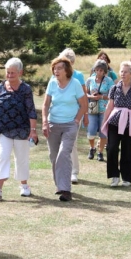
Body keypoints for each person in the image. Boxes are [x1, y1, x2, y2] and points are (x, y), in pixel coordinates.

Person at [0, 58, 38, 199]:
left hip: (21, 130)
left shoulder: (26, 89)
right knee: (2, 157)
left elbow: (31, 111)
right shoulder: (0, 87)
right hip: (3, 129)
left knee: (21, 158)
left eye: (13, 73)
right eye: (8, 72)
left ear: (20, 72)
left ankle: (24, 186)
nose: (10, 75)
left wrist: (33, 131)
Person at [42, 56, 87, 201]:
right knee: (54, 156)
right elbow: (45, 105)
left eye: (60, 68)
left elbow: (84, 104)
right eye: (55, 68)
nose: (56, 71)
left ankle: (66, 190)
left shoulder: (75, 84)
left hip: (70, 125)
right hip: (53, 124)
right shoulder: (52, 83)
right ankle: (59, 186)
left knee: (63, 154)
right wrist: (44, 122)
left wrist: (76, 120)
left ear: (67, 70)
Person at [101, 61, 131, 187]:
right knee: (112, 148)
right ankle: (114, 176)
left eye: (125, 72)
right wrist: (104, 122)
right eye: (121, 71)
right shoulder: (114, 88)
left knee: (128, 150)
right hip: (115, 121)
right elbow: (110, 106)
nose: (123, 74)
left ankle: (127, 178)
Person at [57, 48, 88, 184]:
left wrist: (85, 114)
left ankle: (74, 172)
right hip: (58, 115)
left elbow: (84, 97)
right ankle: (63, 170)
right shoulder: (55, 74)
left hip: (75, 114)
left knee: (72, 143)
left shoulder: (78, 76)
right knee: (59, 144)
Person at [86, 59, 114, 161]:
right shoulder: (90, 80)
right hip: (92, 108)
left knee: (103, 132)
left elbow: (113, 95)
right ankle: (92, 148)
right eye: (97, 70)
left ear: (105, 71)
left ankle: (100, 152)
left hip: (104, 109)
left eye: (101, 70)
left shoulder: (109, 81)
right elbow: (84, 93)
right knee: (91, 131)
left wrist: (101, 97)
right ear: (94, 70)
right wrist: (91, 96)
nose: (99, 72)